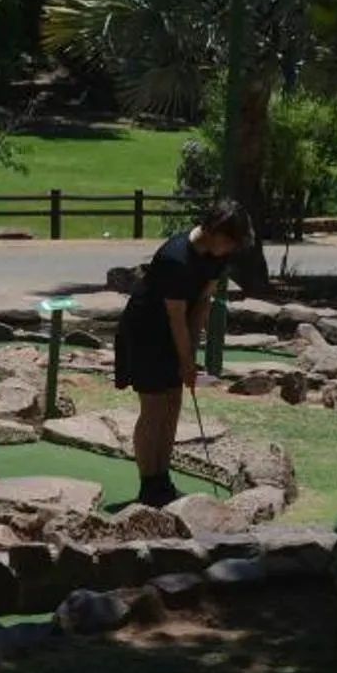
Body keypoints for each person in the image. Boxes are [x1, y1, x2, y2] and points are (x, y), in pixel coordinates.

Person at [114, 205, 252, 506]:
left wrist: (191, 352)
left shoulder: (217, 254)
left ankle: (162, 480)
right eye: (230, 241)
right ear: (215, 231)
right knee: (154, 407)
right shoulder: (175, 258)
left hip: (173, 329)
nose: (232, 248)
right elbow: (174, 317)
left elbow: (201, 302)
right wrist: (186, 361)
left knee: (173, 403)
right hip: (146, 331)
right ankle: (148, 486)